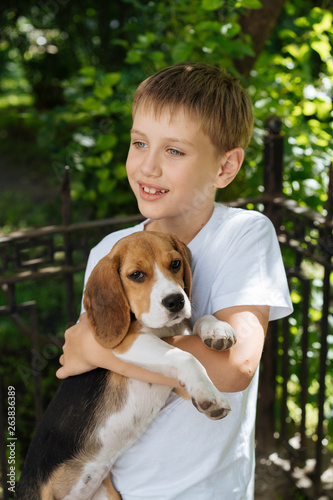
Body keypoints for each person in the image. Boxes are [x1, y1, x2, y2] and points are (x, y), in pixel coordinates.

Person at [56, 62, 293, 499]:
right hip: (115, 487)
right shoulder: (111, 251)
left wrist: (99, 346)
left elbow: (232, 367)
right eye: (139, 143)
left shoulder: (244, 234)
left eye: (175, 151)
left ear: (225, 167)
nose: (148, 167)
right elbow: (93, 383)